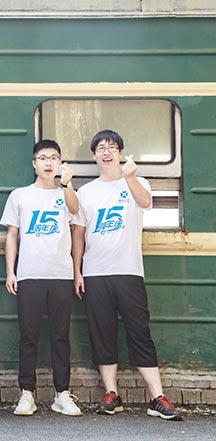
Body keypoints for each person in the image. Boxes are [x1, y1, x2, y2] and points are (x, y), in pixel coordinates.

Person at [72, 129, 181, 421]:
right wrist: (77, 271)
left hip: (129, 271)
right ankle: (112, 394)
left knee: (139, 332)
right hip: (95, 273)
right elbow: (79, 234)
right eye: (101, 148)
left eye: (112, 147)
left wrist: (129, 177)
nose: (106, 152)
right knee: (102, 333)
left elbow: (146, 203)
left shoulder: (137, 181)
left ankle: (157, 397)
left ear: (120, 152)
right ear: (94, 155)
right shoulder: (86, 192)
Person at [0, 140, 81, 417]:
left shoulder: (66, 193)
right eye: (43, 158)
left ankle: (62, 394)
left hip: (61, 274)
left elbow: (75, 211)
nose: (48, 162)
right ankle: (27, 393)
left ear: (60, 163)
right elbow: (12, 235)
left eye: (54, 158)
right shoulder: (20, 196)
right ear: (34, 163)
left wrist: (67, 185)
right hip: (29, 274)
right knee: (29, 336)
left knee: (61, 336)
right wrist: (11, 271)